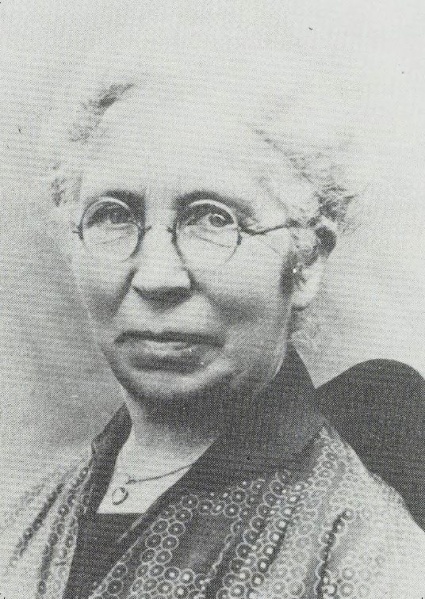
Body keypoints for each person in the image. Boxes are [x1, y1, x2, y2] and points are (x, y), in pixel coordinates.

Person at [1, 53, 424, 599]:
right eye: (113, 214)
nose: (157, 277)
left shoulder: (369, 557)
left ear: (306, 262)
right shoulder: (23, 516)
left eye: (212, 218)